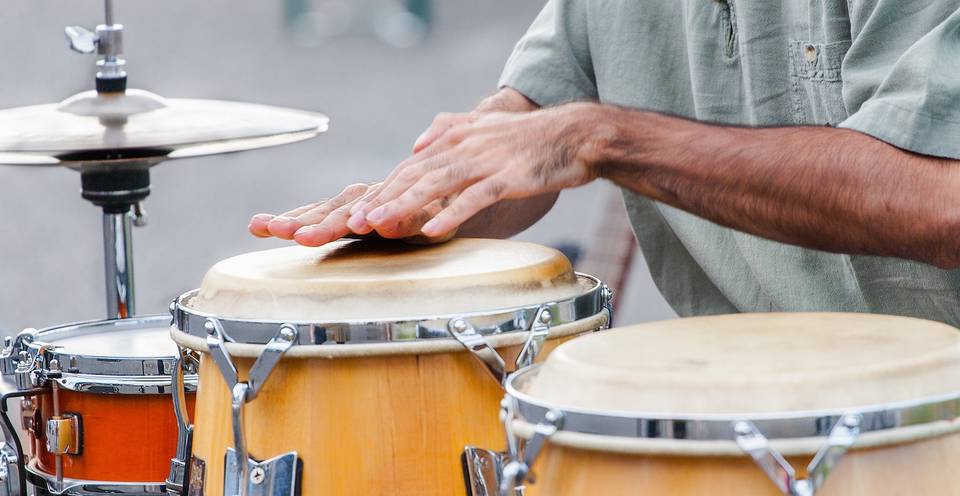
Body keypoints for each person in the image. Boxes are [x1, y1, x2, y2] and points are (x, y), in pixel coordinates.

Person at [250, 1, 960, 324]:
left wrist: (609, 138)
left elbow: (940, 203)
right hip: (730, 404)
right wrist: (417, 205)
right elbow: (530, 130)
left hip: (928, 420)